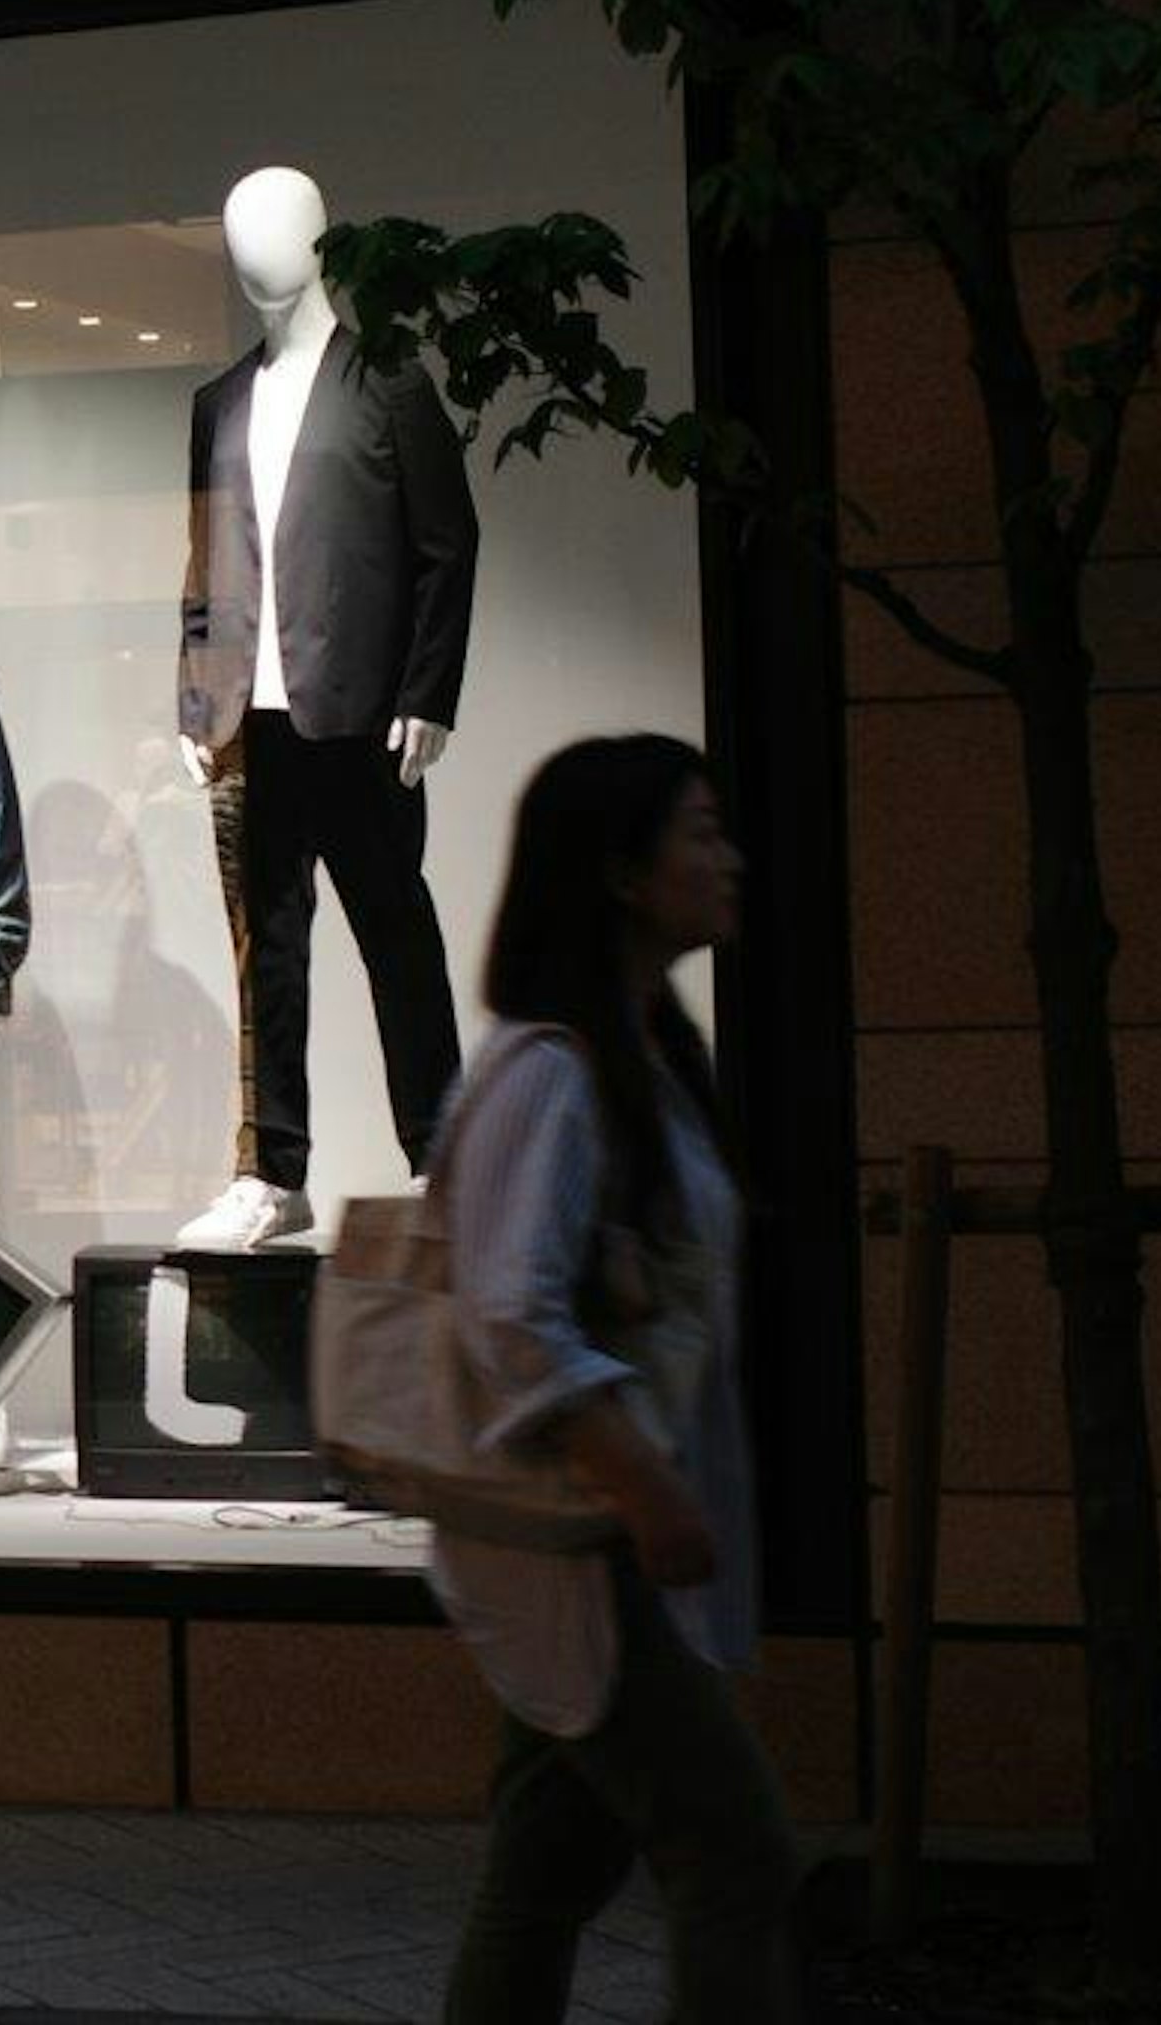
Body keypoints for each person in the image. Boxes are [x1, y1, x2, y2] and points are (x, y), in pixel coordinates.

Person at [432, 736, 797, 2024]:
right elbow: (513, 1315)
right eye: (699, 831)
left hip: (598, 1542)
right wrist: (650, 1495)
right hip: (587, 1543)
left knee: (548, 1871)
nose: (727, 857)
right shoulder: (550, 1073)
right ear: (622, 874)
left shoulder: (637, 1065)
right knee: (738, 1855)